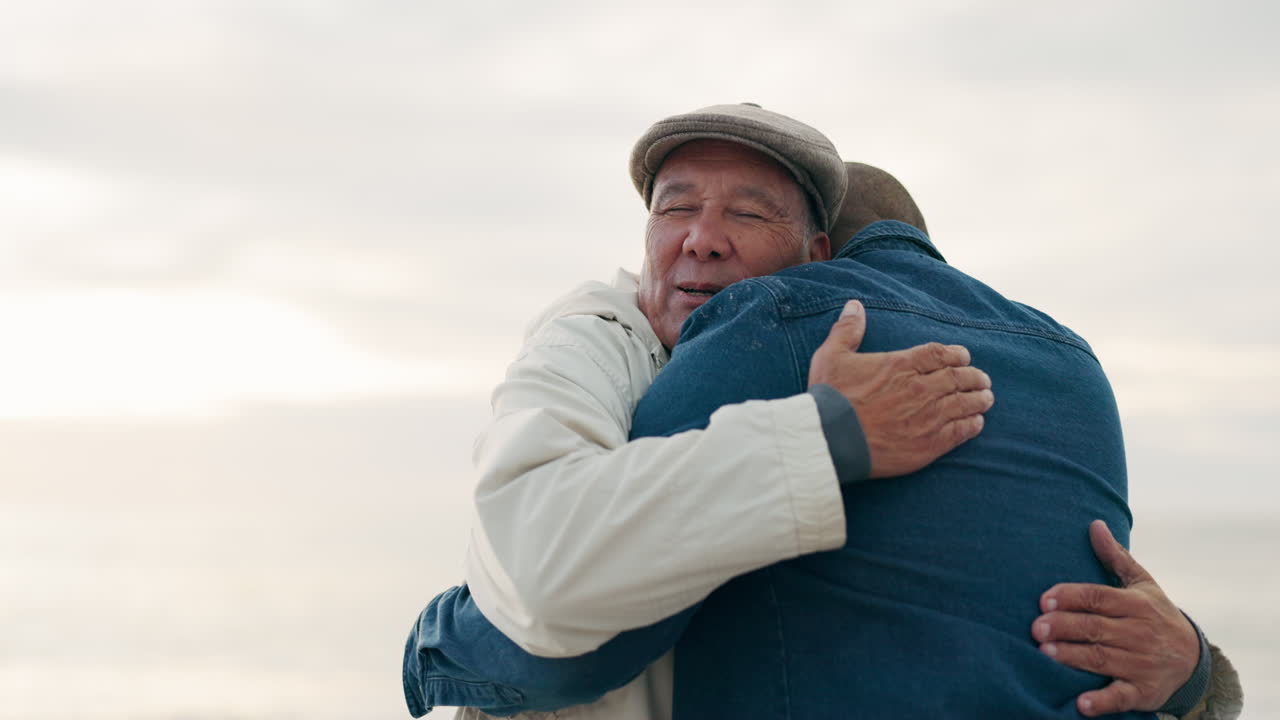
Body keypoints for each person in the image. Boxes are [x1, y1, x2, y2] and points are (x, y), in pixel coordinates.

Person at [403, 105, 1242, 719]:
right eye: (676, 207)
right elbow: (546, 570)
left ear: (817, 261)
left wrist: (1197, 668)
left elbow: (571, 659)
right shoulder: (594, 340)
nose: (701, 237)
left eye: (748, 212)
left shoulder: (775, 328)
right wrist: (827, 438)